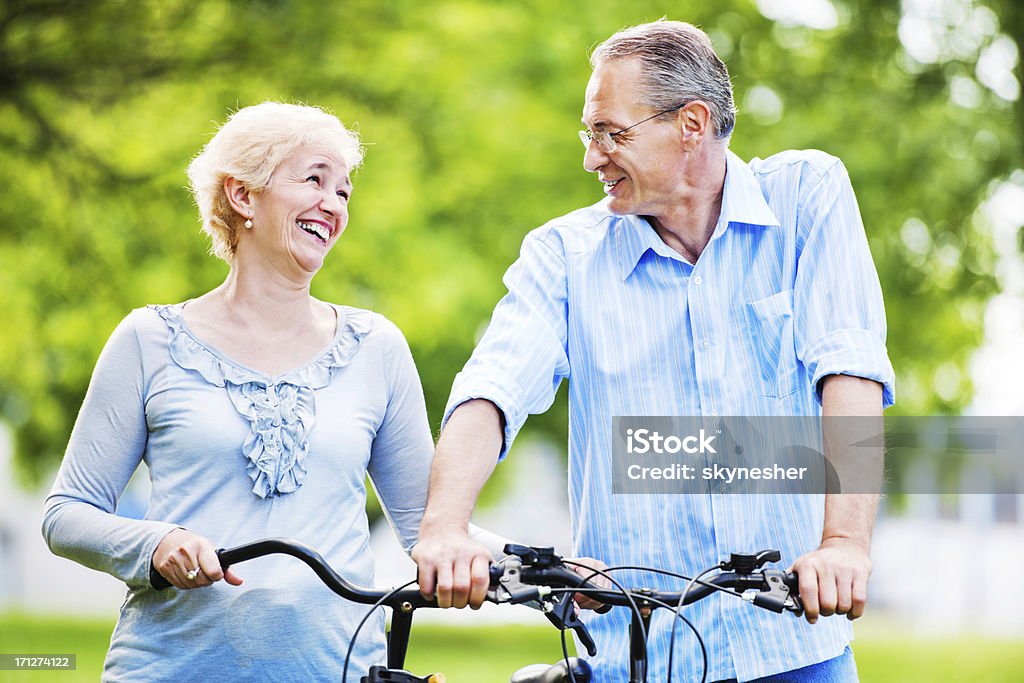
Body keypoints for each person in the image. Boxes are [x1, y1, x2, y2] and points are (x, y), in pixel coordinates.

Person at [412, 20, 895, 683]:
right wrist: (445, 526)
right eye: (589, 134)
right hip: (636, 654)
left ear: (691, 124)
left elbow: (849, 365)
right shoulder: (564, 254)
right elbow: (492, 386)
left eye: (612, 133)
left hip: (792, 650)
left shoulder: (807, 197)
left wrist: (843, 545)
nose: (592, 157)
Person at [42, 102, 442, 681]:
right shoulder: (148, 340)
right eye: (314, 180)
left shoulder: (376, 346)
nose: (333, 204)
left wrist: (552, 569)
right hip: (171, 666)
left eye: (344, 192)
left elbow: (435, 528)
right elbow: (66, 514)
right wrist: (156, 545)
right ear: (242, 196)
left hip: (337, 669)